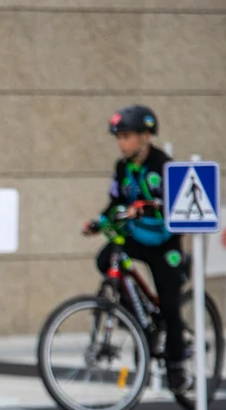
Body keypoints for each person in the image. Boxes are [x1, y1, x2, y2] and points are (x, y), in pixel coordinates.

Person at [84, 105, 189, 393]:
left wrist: (148, 208)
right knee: (107, 259)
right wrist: (98, 222)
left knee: (169, 304)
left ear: (145, 136)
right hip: (136, 237)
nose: (121, 143)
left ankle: (177, 363)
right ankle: (138, 314)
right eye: (118, 137)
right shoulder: (122, 168)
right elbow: (116, 203)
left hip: (164, 242)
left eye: (127, 136)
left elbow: (177, 204)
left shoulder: (163, 165)